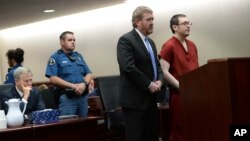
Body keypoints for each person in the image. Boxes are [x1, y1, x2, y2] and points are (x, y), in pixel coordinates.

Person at [117, 6, 165, 141]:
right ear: (137, 22)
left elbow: (158, 66)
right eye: (148, 19)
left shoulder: (151, 42)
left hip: (150, 99)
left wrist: (160, 80)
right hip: (134, 101)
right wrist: (149, 84)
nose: (152, 22)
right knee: (136, 137)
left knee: (151, 136)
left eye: (153, 19)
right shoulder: (126, 40)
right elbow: (128, 67)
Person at [159, 14, 199, 141]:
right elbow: (164, 72)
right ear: (175, 27)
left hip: (194, 94)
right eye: (185, 23)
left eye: (189, 23)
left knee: (194, 127)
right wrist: (182, 87)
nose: (188, 26)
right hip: (179, 94)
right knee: (179, 131)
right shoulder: (169, 45)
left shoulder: (192, 45)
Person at [45, 31, 93, 117]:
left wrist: (84, 84)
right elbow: (53, 78)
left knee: (85, 126)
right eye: (70, 40)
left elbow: (89, 73)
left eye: (74, 40)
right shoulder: (55, 57)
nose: (73, 42)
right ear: (62, 42)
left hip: (82, 97)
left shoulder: (78, 56)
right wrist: (73, 86)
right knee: (69, 127)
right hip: (67, 98)